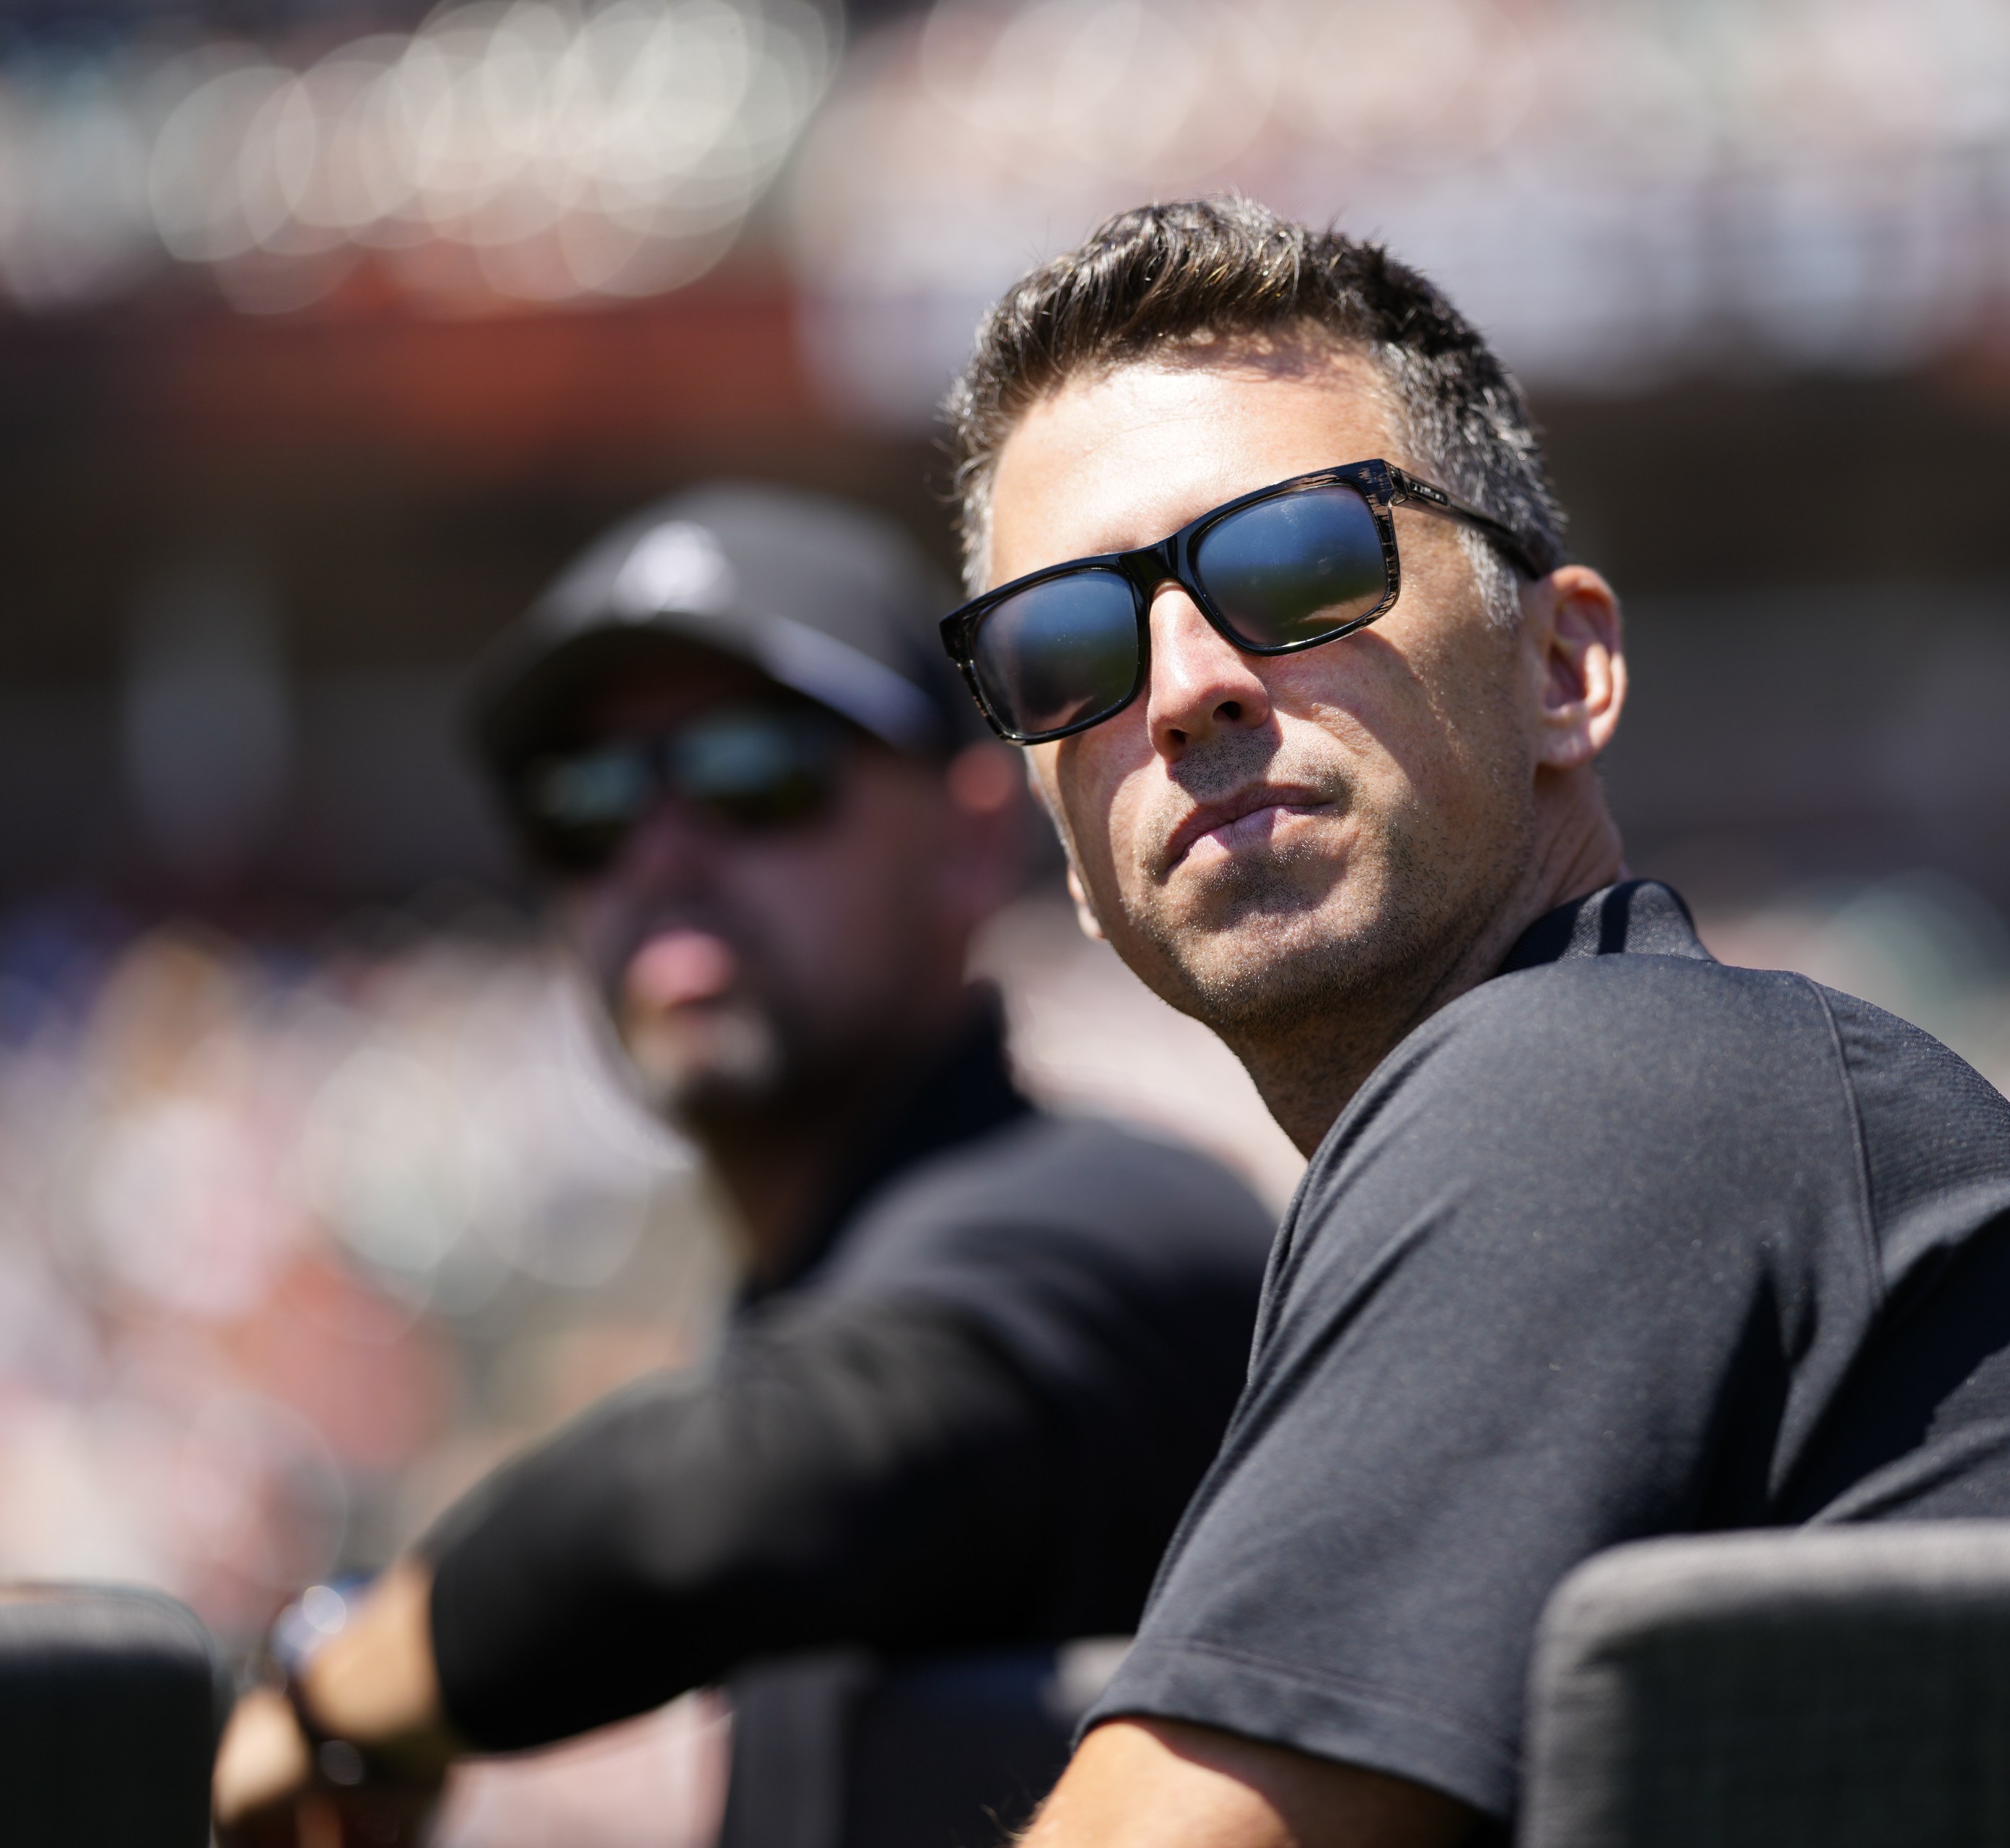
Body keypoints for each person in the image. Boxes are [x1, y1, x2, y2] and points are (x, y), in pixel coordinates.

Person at [927, 196, 2010, 1848]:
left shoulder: (1600, 1079)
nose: (1184, 686)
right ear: (1070, 858)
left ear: (1564, 665)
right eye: (1065, 648)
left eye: (1297, 560)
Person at [210, 482, 1277, 1848]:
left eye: (754, 776)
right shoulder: (830, 1283)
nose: (660, 851)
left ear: (969, 837)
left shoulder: (1118, 1220)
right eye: (585, 805)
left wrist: (339, 1682)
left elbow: (726, 1499)